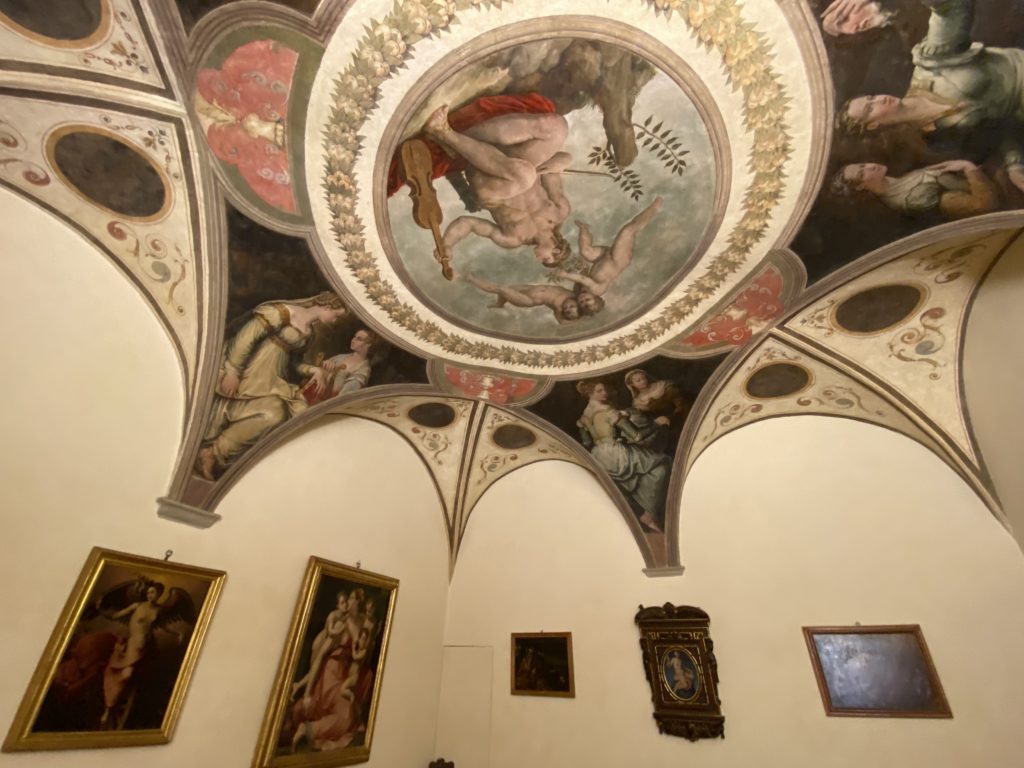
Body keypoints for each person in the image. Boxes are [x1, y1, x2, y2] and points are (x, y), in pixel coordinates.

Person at [837, 0, 1024, 191]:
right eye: (870, 108)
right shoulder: (936, 137)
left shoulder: (930, 64)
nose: (879, 99)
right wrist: (1015, 164)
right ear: (873, 124)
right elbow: (999, 131)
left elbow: (951, 9)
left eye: (871, 97)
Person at [395, 97, 574, 267]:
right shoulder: (561, 211)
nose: (538, 258)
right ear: (557, 250)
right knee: (557, 128)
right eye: (545, 259)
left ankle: (444, 133)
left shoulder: (512, 239)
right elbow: (551, 170)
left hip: (489, 186)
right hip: (513, 165)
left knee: (525, 176)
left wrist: (447, 244)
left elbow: (468, 223)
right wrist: (565, 160)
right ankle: (460, 141)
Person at [195, 292, 348, 480]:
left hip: (270, 380)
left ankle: (216, 453)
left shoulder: (309, 333)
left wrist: (313, 370)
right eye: (336, 316)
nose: (334, 321)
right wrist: (233, 370)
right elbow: (246, 337)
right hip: (249, 373)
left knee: (289, 414)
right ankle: (212, 452)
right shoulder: (281, 313)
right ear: (327, 307)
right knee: (273, 414)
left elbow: (292, 363)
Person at [194, 39, 299, 213]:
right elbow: (294, 197)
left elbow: (291, 61)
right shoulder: (252, 168)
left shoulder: (244, 64)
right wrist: (269, 132)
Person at [576, 381, 670, 532]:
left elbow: (587, 443)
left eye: (605, 389)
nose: (605, 393)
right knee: (662, 466)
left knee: (624, 486)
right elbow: (637, 436)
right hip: (618, 454)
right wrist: (657, 424)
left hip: (598, 455)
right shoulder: (609, 412)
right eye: (599, 391)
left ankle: (645, 516)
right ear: (589, 394)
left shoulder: (583, 417)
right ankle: (651, 513)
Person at [289, 589, 372, 753]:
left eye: (353, 598)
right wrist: (307, 691)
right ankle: (308, 729)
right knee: (345, 715)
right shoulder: (341, 625)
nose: (350, 601)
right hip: (332, 672)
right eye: (350, 598)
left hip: (346, 673)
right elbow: (320, 656)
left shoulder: (363, 623)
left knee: (367, 678)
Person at [99, 582, 183, 728]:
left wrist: (176, 633)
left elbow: (162, 625)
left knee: (142, 676)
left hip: (147, 646)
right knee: (126, 675)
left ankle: (133, 703)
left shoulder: (158, 610)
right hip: (132, 645)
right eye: (149, 592)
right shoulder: (137, 606)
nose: (151, 595)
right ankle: (109, 707)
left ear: (159, 595)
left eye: (154, 593)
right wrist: (101, 609)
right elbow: (117, 615)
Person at [552, 197, 663, 298]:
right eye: (587, 300)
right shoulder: (597, 291)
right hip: (617, 260)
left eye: (581, 300)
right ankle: (654, 208)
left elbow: (583, 273)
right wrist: (565, 275)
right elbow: (583, 279)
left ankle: (583, 228)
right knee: (628, 231)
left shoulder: (585, 289)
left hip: (602, 257)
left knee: (586, 251)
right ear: (595, 300)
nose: (583, 299)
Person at [831, 159, 998, 218]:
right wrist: (969, 167)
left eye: (863, 164)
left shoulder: (896, 180)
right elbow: (982, 205)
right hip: (1001, 194)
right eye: (862, 173)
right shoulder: (914, 198)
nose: (870, 166)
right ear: (861, 187)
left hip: (994, 176)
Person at [290, 591, 349, 706]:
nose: (345, 604)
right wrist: (340, 629)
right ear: (337, 605)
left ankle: (297, 686)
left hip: (327, 644)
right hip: (319, 643)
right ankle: (305, 693)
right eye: (342, 603)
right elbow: (331, 631)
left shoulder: (344, 616)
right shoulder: (333, 615)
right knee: (315, 669)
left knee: (316, 670)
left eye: (346, 601)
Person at [465, 274, 599, 324]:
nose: (567, 307)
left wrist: (579, 319)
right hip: (532, 288)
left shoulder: (558, 308)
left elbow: (562, 322)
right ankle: (499, 304)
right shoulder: (574, 295)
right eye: (572, 307)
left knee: (501, 289)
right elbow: (582, 282)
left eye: (567, 310)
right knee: (507, 289)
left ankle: (472, 279)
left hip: (528, 299)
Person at [304, 328, 382, 405]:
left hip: (324, 405)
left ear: (368, 345)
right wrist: (324, 364)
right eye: (354, 337)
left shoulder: (362, 372)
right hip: (308, 396)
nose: (353, 340)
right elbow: (314, 367)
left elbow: (341, 399)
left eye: (359, 339)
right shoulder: (342, 357)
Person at [624, 368, 689, 454]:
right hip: (662, 424)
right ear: (632, 384)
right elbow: (647, 419)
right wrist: (658, 422)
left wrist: (675, 416)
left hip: (678, 415)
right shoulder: (637, 402)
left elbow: (681, 403)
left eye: (644, 378)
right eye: (638, 381)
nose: (643, 381)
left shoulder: (662, 386)